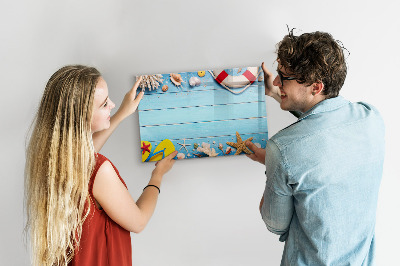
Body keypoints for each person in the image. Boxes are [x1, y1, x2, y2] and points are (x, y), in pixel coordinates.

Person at [246, 30, 385, 265]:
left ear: (316, 86)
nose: (277, 81)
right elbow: (324, 125)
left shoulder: (282, 149)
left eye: (284, 77)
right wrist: (276, 93)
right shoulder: (371, 118)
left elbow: (274, 224)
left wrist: (272, 163)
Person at [24, 65, 178, 266]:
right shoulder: (100, 170)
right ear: (82, 117)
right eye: (105, 104)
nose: (113, 104)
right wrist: (157, 175)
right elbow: (139, 221)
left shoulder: (53, 159)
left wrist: (122, 113)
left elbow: (86, 157)